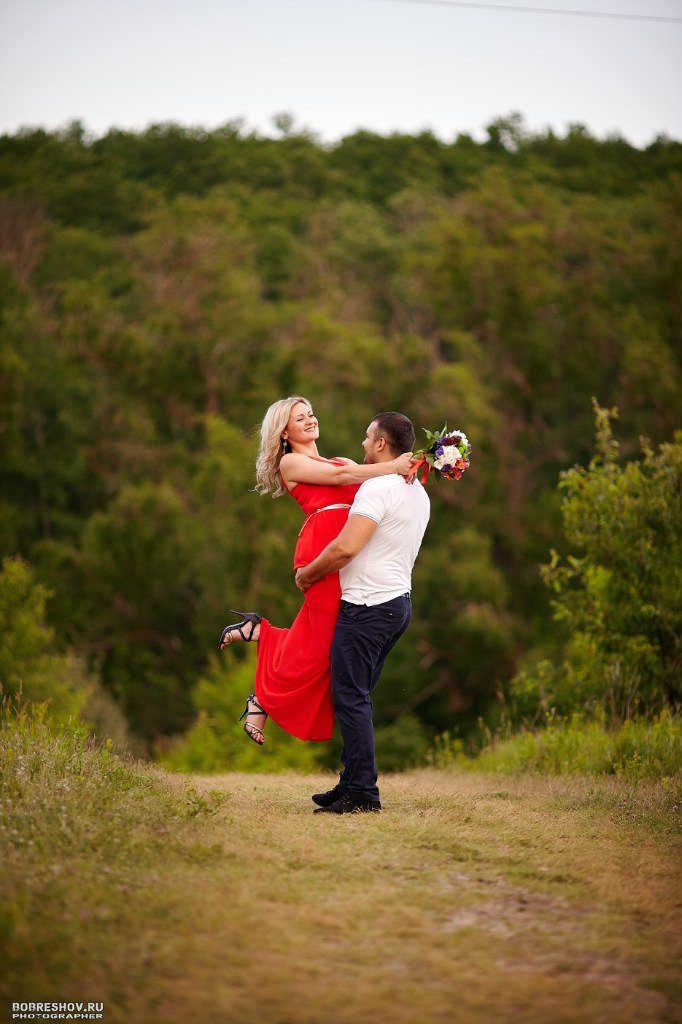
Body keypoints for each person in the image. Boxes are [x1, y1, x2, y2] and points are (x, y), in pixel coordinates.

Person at [218, 397, 415, 745]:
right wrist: (393, 466)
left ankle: (259, 632)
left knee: (331, 642)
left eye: (310, 414)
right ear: (284, 431)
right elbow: (345, 476)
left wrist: (424, 463)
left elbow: (372, 482)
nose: (310, 420)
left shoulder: (341, 459)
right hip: (323, 550)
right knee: (325, 640)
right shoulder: (291, 463)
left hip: (352, 556)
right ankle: (263, 697)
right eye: (300, 418)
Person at [295, 412, 430, 814]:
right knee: (357, 697)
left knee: (351, 699)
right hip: (398, 606)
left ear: (382, 445)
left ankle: (363, 795)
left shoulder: (377, 489)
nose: (362, 443)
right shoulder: (416, 490)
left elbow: (344, 549)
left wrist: (307, 575)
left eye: (367, 437)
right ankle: (350, 782)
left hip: (369, 608)